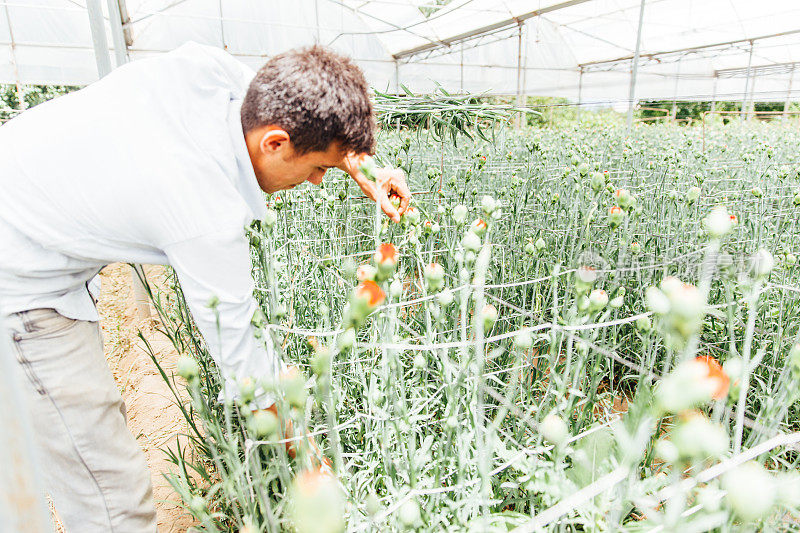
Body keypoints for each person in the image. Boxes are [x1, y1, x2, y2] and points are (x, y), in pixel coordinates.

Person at [0, 42, 410, 532]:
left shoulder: (212, 73)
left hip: (24, 195)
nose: (320, 181)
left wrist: (362, 167)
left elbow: (290, 103)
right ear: (275, 144)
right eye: (318, 168)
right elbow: (245, 360)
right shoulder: (202, 208)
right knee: (109, 493)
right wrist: (311, 463)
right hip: (20, 281)